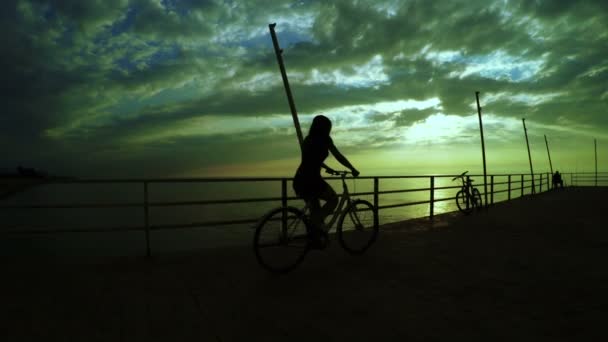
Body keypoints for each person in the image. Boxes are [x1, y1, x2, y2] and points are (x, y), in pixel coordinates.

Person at [293, 115, 359, 246]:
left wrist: (329, 169)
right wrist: (352, 168)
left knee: (316, 211)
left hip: (300, 179)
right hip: (312, 180)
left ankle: (315, 238)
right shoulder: (325, 139)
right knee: (333, 199)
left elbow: (310, 160)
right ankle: (314, 225)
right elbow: (338, 155)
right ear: (325, 128)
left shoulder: (308, 140)